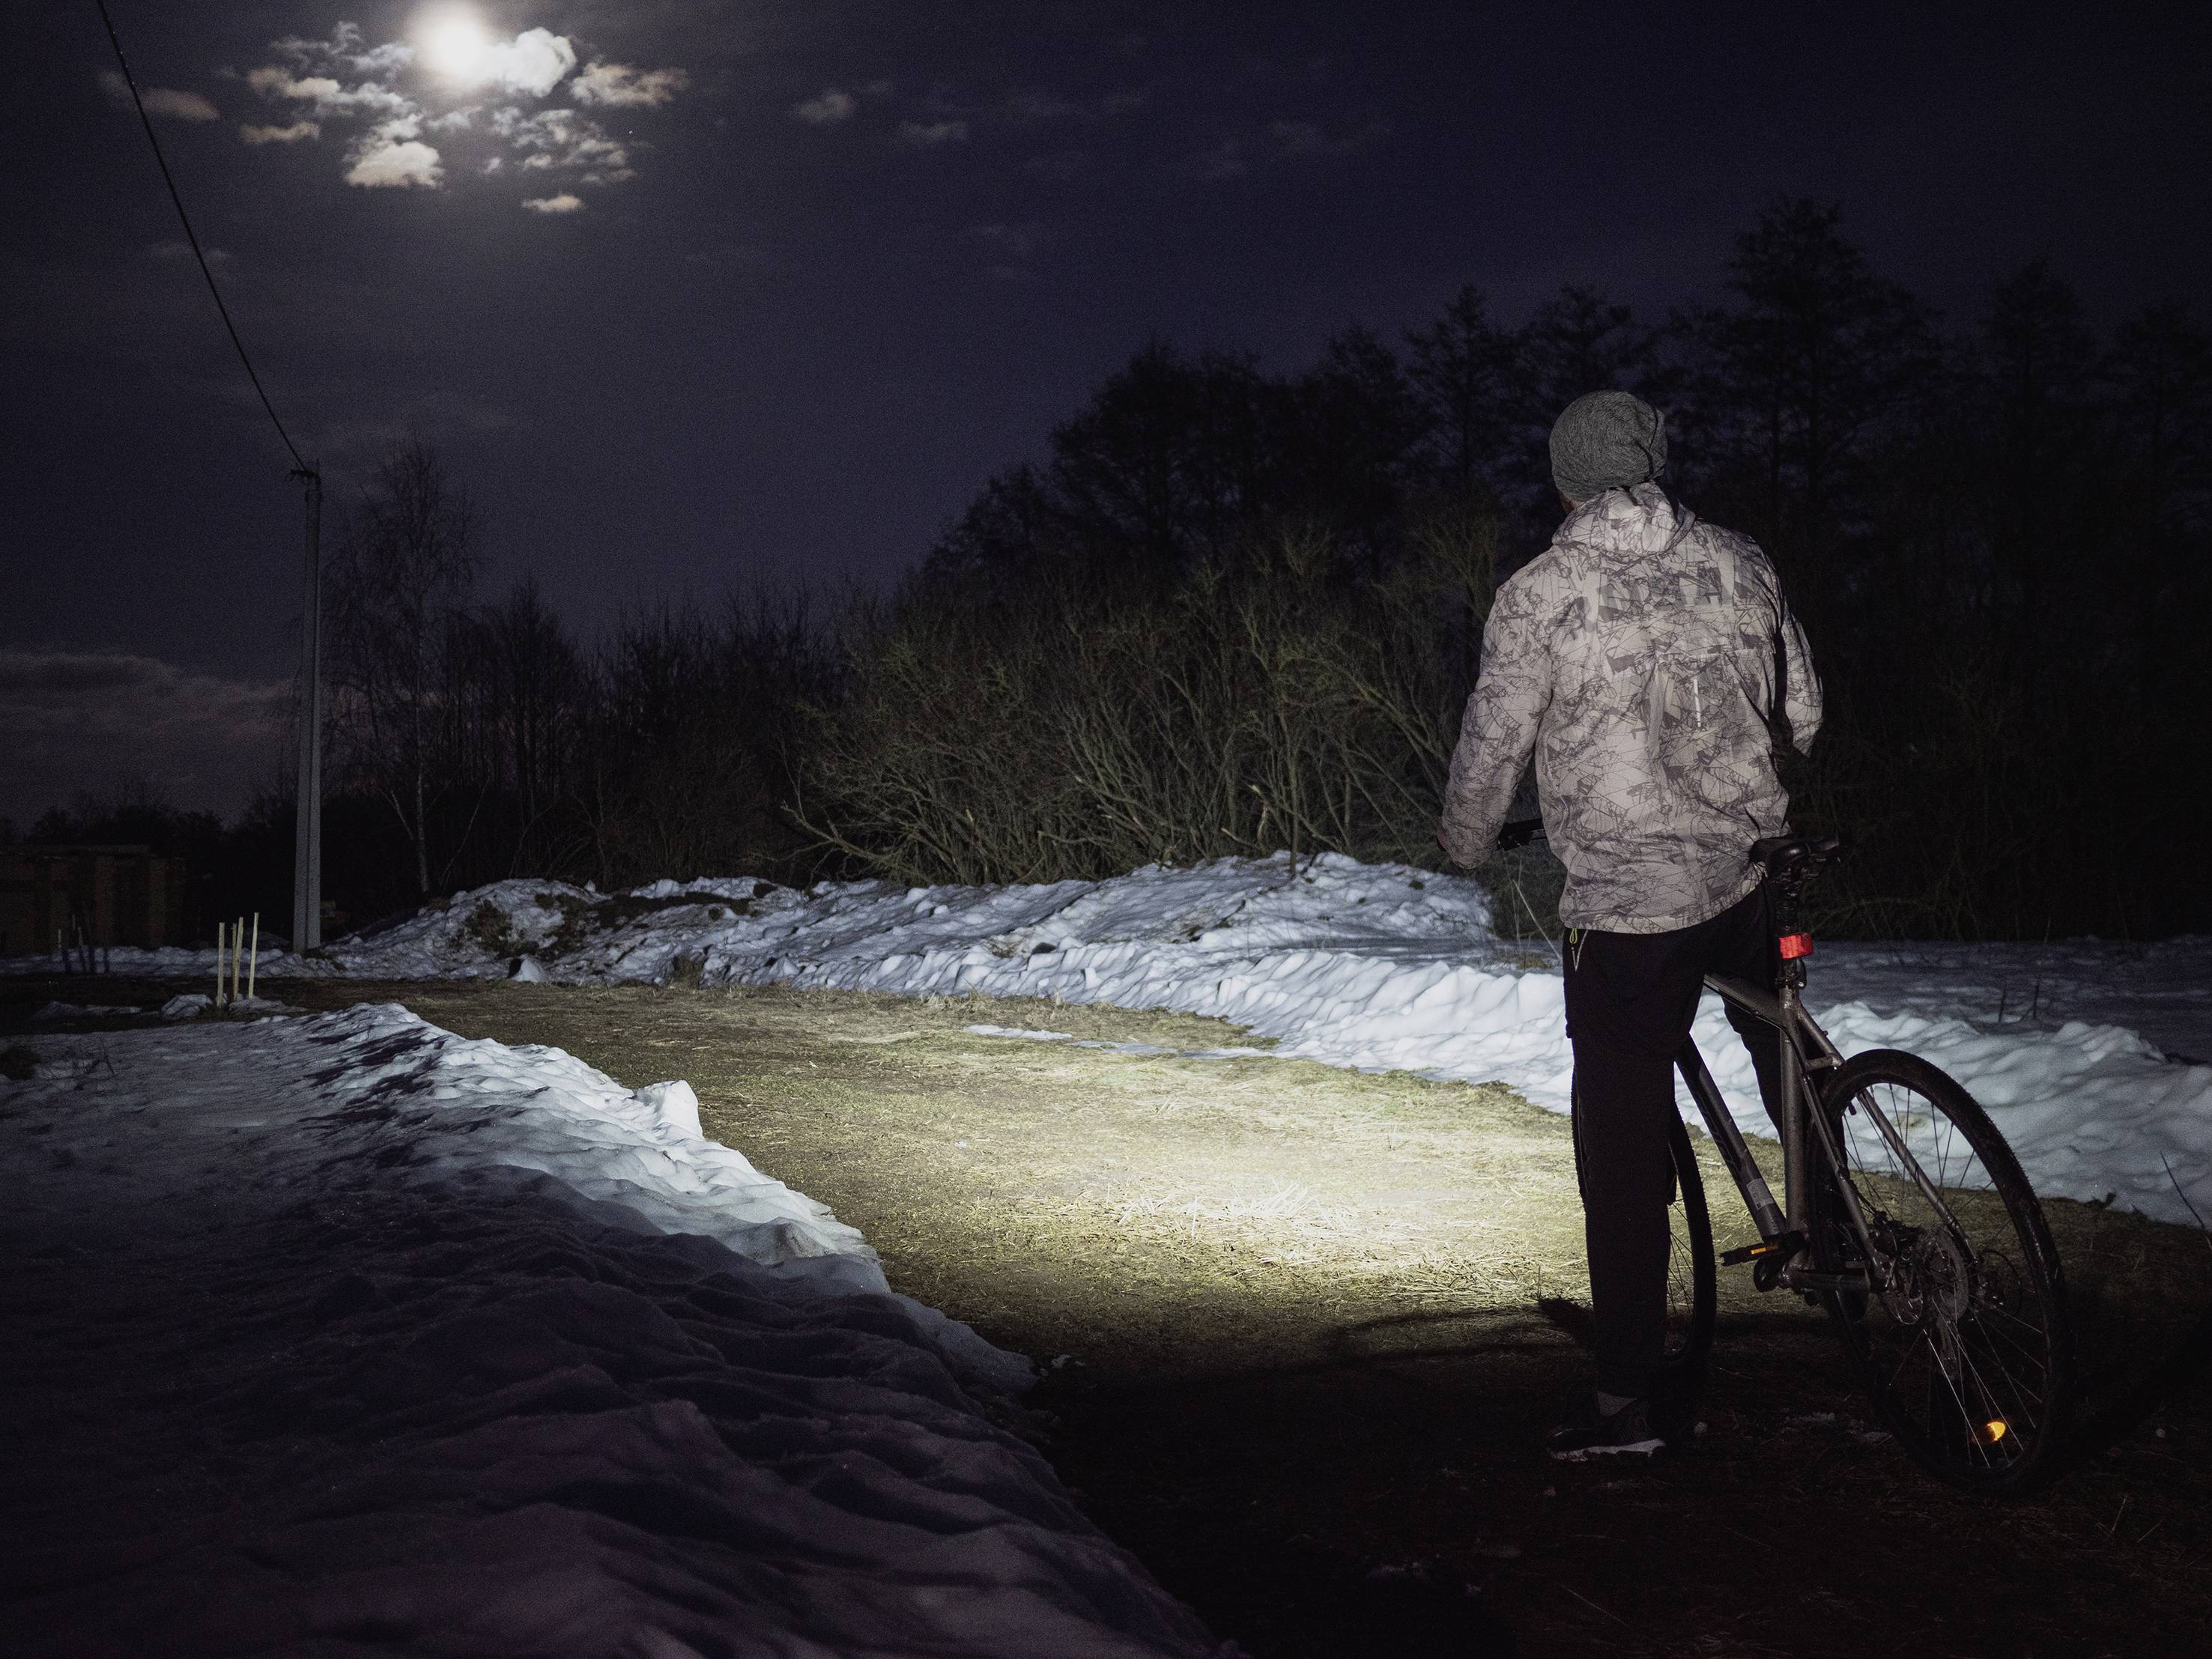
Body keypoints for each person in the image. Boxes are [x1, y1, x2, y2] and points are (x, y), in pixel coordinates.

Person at [1437, 389, 1822, 1460]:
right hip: (1750, 866)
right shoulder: (1741, 562)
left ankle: (1621, 1398)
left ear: (1564, 481)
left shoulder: (1541, 592)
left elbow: (1492, 739)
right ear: (1654, 465)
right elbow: (1804, 712)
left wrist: (1466, 840)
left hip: (1626, 904)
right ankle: (1829, 1233)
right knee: (1780, 1038)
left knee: (1618, 1141)